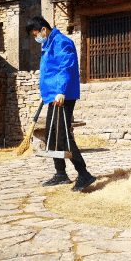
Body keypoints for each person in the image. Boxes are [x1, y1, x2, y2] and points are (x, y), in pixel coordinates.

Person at [26, 16, 96, 192]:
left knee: (63, 136)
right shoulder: (48, 44)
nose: (37, 38)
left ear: (43, 29)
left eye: (36, 34)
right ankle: (60, 174)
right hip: (53, 96)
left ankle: (84, 174)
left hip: (62, 96)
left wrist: (60, 91)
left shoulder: (62, 42)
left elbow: (66, 67)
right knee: (52, 134)